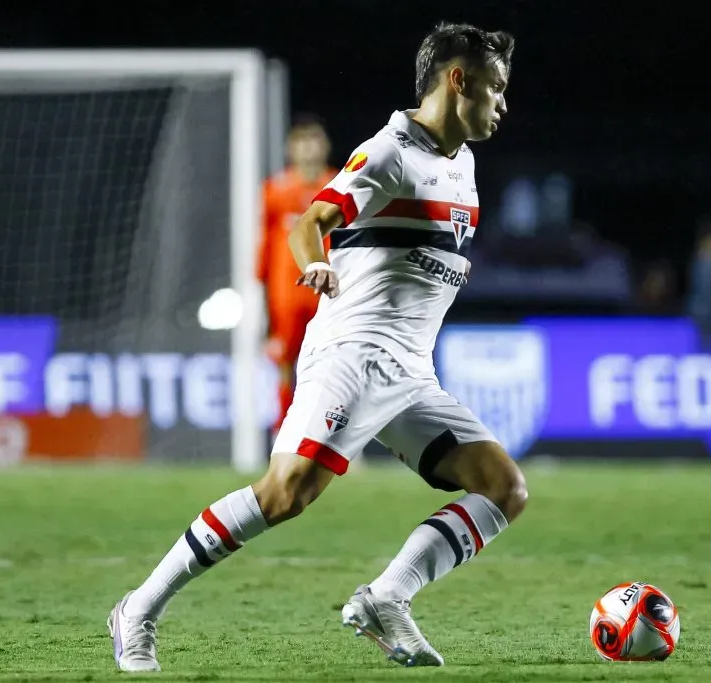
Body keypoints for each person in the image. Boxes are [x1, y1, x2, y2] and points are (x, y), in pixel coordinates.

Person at [108, 22, 525, 672]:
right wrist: (314, 264)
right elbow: (311, 222)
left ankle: (389, 597)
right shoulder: (389, 150)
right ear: (458, 79)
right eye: (495, 89)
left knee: (503, 488)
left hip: (411, 374)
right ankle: (138, 608)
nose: (503, 104)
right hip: (351, 355)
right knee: (285, 494)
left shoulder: (462, 163)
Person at [258, 116, 338, 434]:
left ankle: (334, 437)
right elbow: (263, 247)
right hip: (286, 296)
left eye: (314, 140)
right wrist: (260, 294)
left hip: (329, 293)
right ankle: (284, 435)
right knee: (285, 365)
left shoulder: (338, 185)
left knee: (333, 366)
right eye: (301, 141)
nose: (308, 149)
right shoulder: (276, 190)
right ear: (290, 148)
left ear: (325, 146)